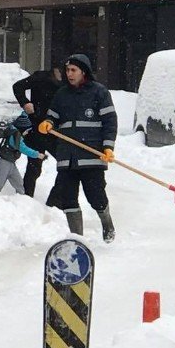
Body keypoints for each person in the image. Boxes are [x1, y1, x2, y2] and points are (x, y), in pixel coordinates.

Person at [38, 54, 118, 242]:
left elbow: (110, 121)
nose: (69, 74)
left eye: (73, 70)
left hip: (92, 154)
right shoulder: (62, 94)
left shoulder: (99, 92)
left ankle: (107, 223)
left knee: (95, 196)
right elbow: (53, 116)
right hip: (67, 156)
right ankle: (77, 238)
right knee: (68, 199)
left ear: (84, 71)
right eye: (67, 70)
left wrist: (108, 146)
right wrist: (48, 122)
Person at [12, 65, 63, 201]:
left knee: (66, 166)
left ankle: (54, 203)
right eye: (63, 70)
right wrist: (25, 103)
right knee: (34, 169)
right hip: (37, 130)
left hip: (56, 133)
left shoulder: (67, 85)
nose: (66, 74)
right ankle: (26, 200)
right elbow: (17, 87)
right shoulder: (40, 77)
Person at [0, 112, 46, 194]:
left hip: (11, 163)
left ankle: (20, 203)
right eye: (26, 130)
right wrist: (38, 155)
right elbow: (23, 148)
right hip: (5, 163)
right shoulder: (15, 136)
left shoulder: (14, 132)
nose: (27, 132)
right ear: (22, 128)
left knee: (20, 185)